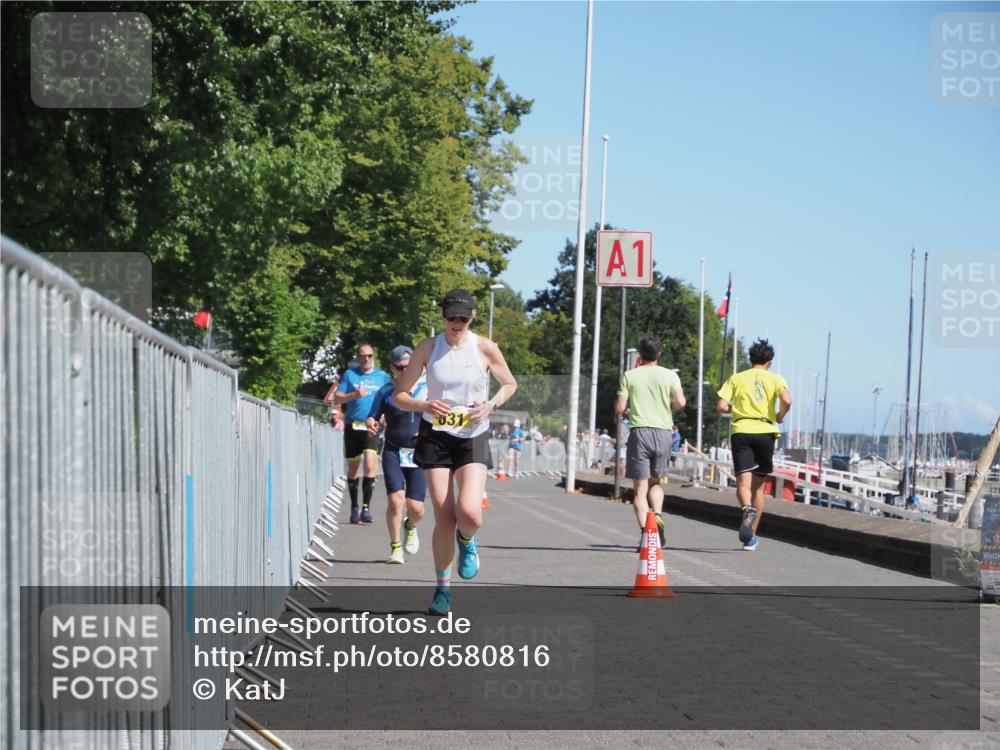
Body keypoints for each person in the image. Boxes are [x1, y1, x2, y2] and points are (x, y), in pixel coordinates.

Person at [393, 289, 517, 616]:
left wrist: (490, 405)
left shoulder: (485, 348)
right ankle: (442, 589)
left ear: (472, 318)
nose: (457, 324)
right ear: (443, 317)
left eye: (463, 318)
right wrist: (422, 404)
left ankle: (468, 539)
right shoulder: (428, 348)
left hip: (472, 434)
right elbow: (399, 395)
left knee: (470, 513)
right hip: (436, 434)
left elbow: (509, 384)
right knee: (444, 514)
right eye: (452, 317)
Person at [716, 338, 792, 551]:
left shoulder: (737, 378)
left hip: (741, 431)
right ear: (769, 362)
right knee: (758, 489)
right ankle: (751, 539)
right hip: (765, 432)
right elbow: (787, 400)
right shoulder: (775, 378)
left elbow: (721, 405)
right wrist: (779, 414)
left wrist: (737, 411)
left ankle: (746, 509)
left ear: (751, 359)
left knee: (742, 484)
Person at [614, 336, 686, 550]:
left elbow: (620, 407)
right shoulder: (670, 375)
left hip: (640, 432)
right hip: (664, 433)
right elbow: (681, 402)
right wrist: (669, 406)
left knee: (639, 490)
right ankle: (659, 516)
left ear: (640, 354)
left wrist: (624, 410)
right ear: (659, 354)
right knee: (656, 483)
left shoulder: (630, 375)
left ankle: (648, 534)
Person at [366, 345, 428, 564]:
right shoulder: (385, 391)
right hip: (394, 449)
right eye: (400, 367)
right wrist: (371, 423)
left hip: (420, 451)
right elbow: (372, 415)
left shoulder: (427, 389)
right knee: (395, 500)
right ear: (393, 368)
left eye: (409, 366)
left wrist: (430, 430)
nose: (404, 371)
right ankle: (395, 547)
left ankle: (410, 526)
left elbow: (440, 416)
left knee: (416, 507)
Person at [334, 343, 391, 525]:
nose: (366, 359)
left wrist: (386, 417)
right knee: (353, 468)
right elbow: (337, 397)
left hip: (371, 426)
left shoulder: (383, 377)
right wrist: (354, 395)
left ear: (374, 357)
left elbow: (390, 398)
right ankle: (354, 507)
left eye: (369, 356)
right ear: (358, 358)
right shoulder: (350, 375)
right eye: (362, 356)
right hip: (353, 425)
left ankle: (366, 508)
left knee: (370, 462)